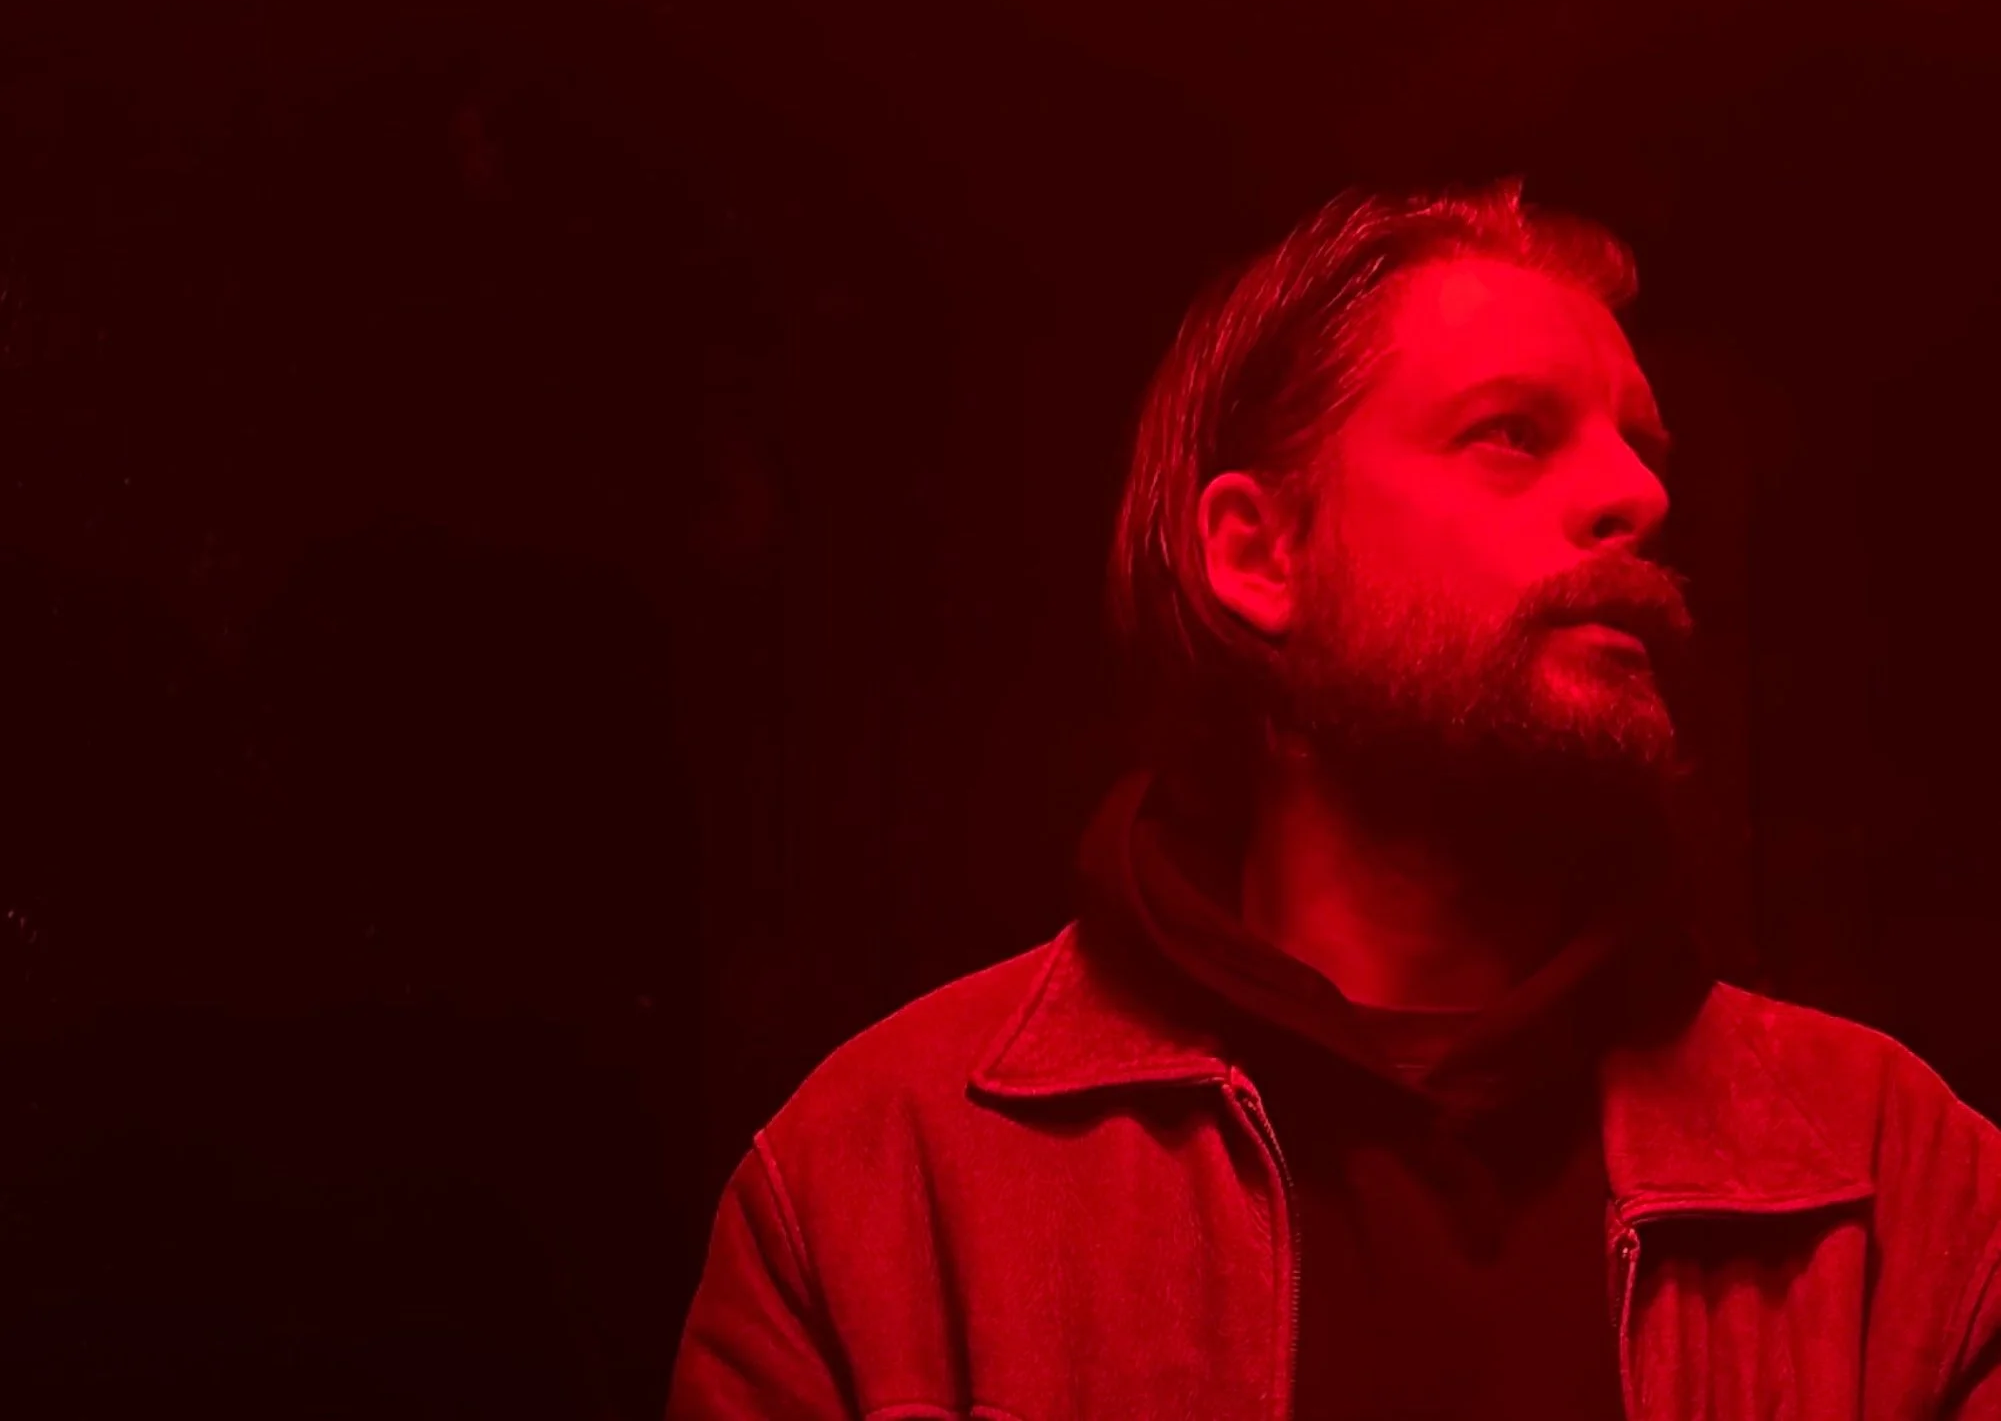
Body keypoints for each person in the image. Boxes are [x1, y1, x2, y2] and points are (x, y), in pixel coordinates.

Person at [668, 181, 2001, 1419]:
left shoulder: (1903, 1191)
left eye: (1643, 450)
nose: (1638, 494)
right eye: (1512, 436)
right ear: (1260, 556)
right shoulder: (880, 1190)